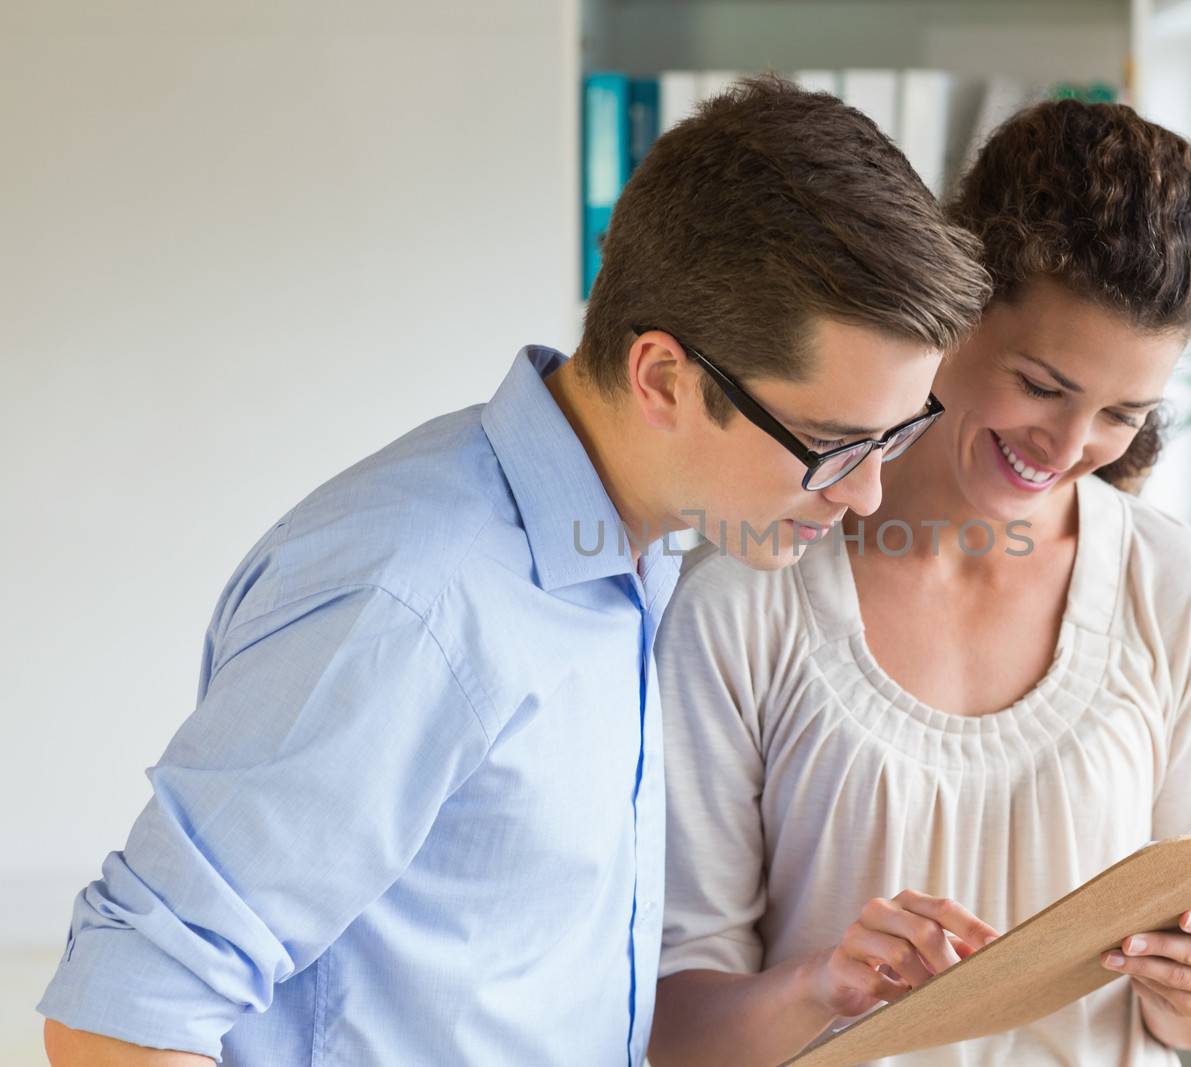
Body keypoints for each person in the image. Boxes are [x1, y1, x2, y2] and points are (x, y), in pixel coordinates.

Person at [38, 78, 990, 1066]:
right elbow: (123, 1012)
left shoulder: (640, 547)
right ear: (663, 378)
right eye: (832, 444)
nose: (868, 494)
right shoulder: (416, 596)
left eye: (896, 436)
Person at [649, 98, 1191, 1067]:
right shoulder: (745, 594)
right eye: (1040, 384)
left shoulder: (1185, 598)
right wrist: (822, 985)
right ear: (955, 309)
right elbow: (674, 1028)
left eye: (1123, 411)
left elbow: (1190, 1019)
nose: (1069, 448)